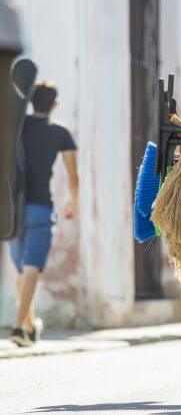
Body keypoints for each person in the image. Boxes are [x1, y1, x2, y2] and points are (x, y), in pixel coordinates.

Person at [9, 81, 78, 347]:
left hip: (13, 209)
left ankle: (28, 327)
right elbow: (73, 175)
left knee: (22, 270)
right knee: (30, 269)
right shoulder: (60, 132)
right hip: (40, 207)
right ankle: (18, 327)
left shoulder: (16, 127)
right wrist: (73, 202)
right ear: (54, 105)